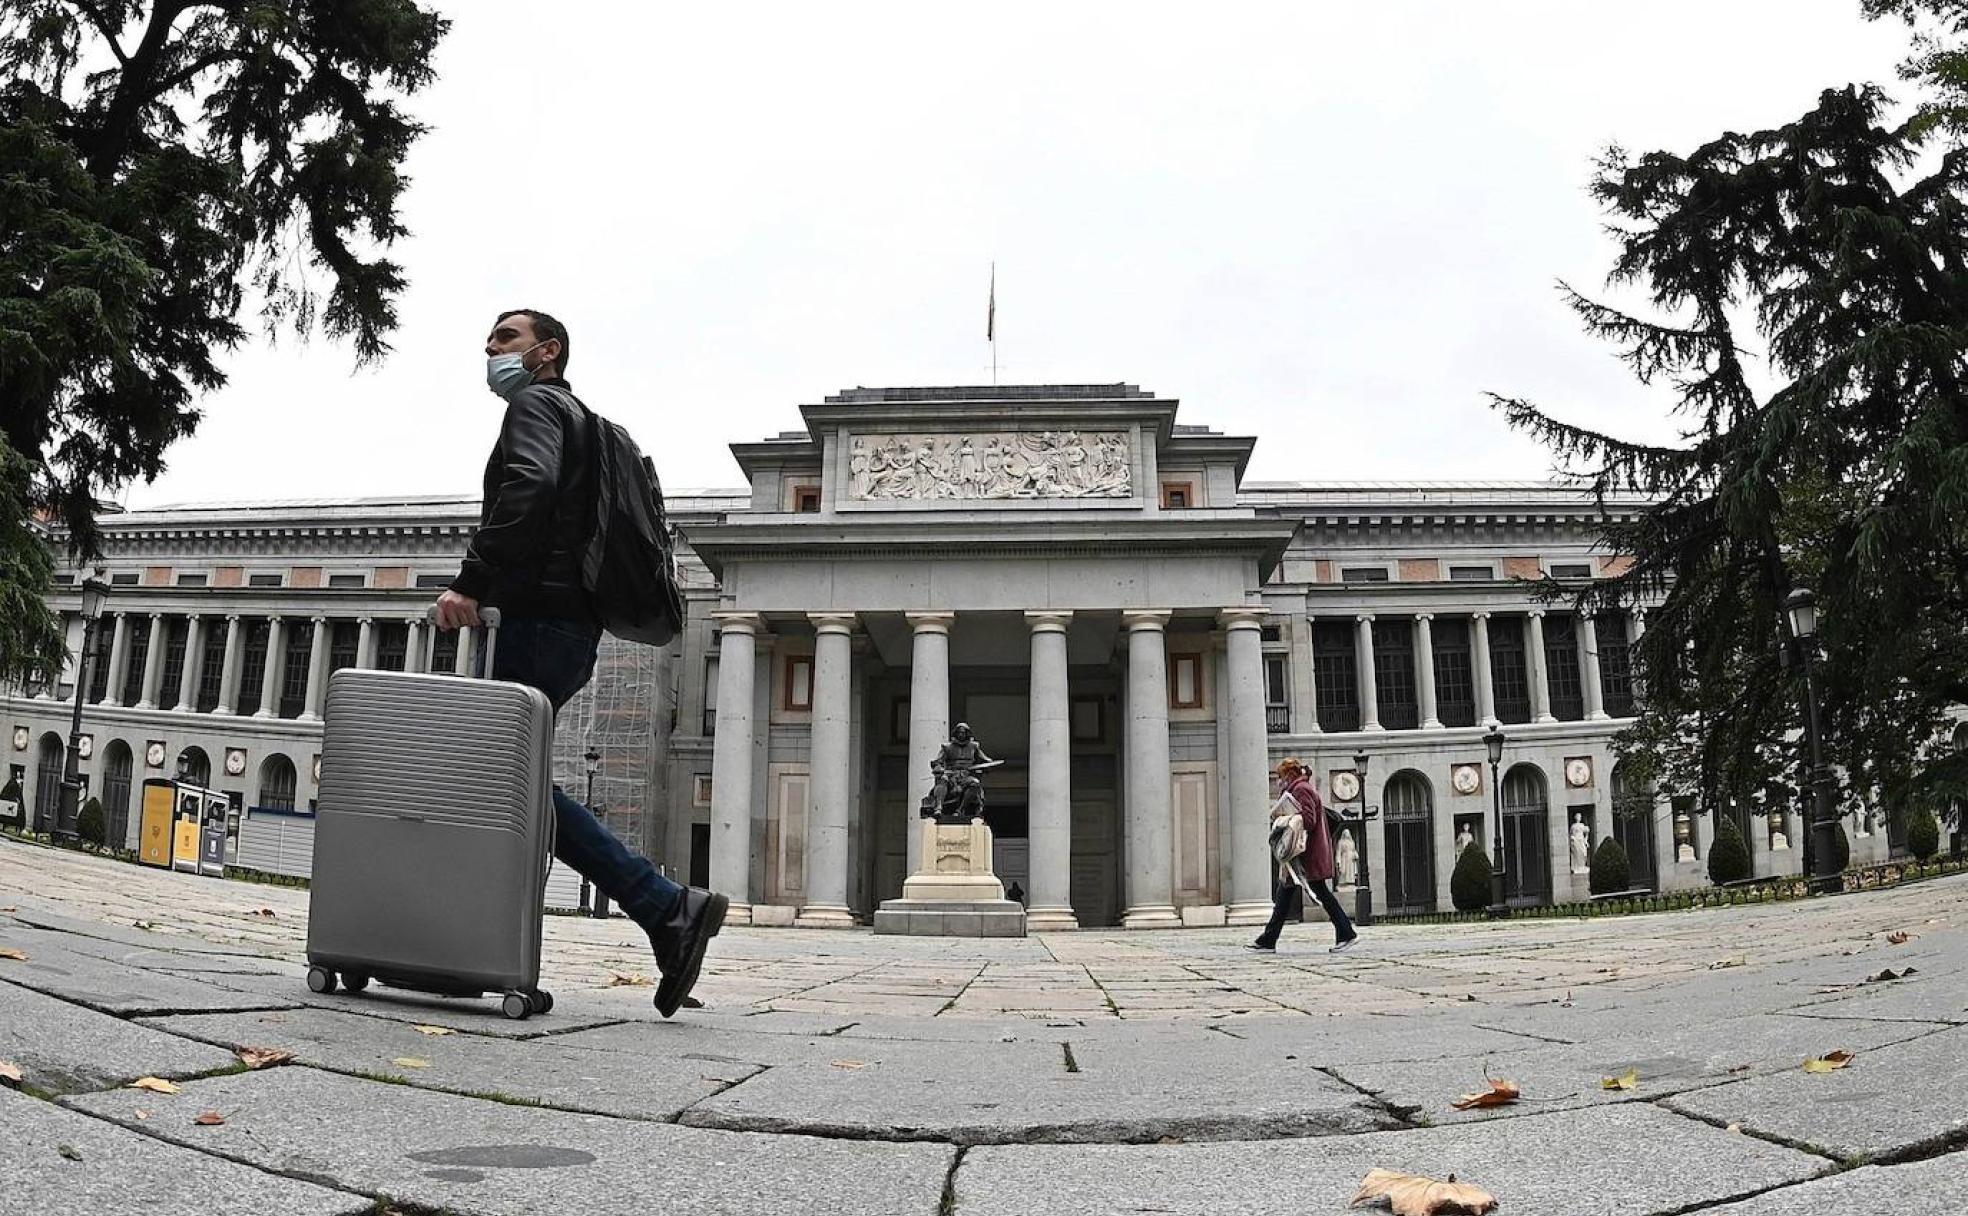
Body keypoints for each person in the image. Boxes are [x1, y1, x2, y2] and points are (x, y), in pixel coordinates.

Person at [435, 307, 726, 1018]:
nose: (490, 349)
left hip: (539, 616)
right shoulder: (588, 424)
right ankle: (655, 914)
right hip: (572, 625)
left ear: (547, 352)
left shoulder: (537, 404)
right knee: (513, 781)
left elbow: (528, 490)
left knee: (506, 780)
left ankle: (664, 906)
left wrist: (472, 580)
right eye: (491, 339)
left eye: (505, 338)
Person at [1249, 758, 1358, 953]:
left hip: (1306, 853)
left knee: (1320, 893)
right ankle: (1268, 940)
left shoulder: (1301, 789)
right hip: (1299, 855)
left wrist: (1284, 819)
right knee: (1285, 894)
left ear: (1289, 775)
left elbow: (1309, 820)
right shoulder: (1297, 789)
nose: (1278, 781)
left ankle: (1346, 933)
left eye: (1280, 777)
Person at [920, 723, 994, 820]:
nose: (961, 735)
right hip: (951, 775)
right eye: (959, 732)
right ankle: (938, 807)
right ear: (956, 733)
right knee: (943, 779)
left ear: (967, 733)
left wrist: (988, 764)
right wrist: (939, 768)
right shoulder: (947, 747)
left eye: (963, 733)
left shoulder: (974, 746)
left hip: (966, 776)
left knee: (975, 783)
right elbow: (937, 762)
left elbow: (985, 759)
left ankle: (960, 810)